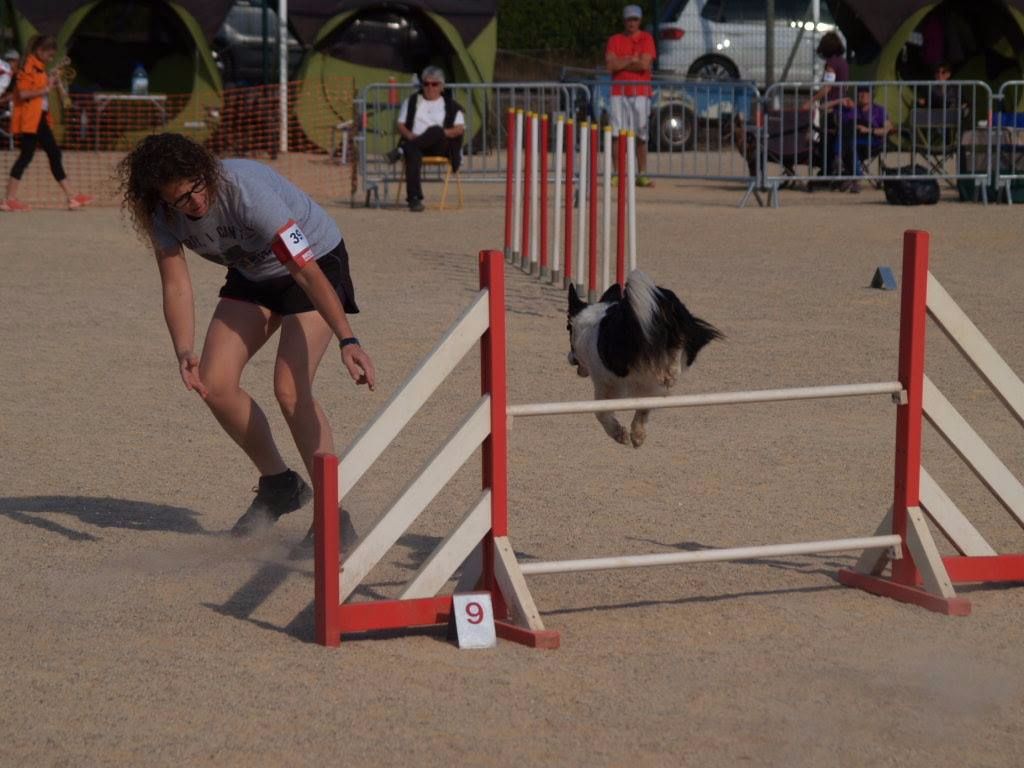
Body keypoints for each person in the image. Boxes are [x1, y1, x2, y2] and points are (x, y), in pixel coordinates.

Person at [115, 133, 377, 537]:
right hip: (252, 273)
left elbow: (305, 270)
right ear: (161, 200)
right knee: (214, 383)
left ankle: (332, 514)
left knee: (290, 389)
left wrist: (348, 339)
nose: (195, 203)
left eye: (197, 189)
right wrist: (183, 348)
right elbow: (176, 285)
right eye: (181, 199)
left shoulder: (245, 191)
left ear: (205, 172)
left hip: (314, 263)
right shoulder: (163, 217)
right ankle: (280, 484)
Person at [1, 35, 92, 212]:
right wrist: (46, 88)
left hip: (39, 118)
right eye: (49, 55)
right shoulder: (28, 66)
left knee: (50, 153)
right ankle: (9, 199)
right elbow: (24, 93)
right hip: (31, 119)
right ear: (40, 51)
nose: (51, 59)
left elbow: (38, 88)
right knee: (30, 156)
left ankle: (72, 196)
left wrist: (50, 80)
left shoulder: (39, 68)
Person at [385, 66, 465, 212]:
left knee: (435, 130)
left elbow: (459, 129)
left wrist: (441, 133)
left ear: (441, 86)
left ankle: (401, 150)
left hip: (441, 146)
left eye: (434, 84)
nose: (430, 87)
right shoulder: (412, 101)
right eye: (426, 84)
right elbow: (400, 124)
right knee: (413, 153)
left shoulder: (451, 106)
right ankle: (414, 199)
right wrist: (410, 136)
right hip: (416, 144)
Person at [605, 4, 656, 187]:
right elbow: (611, 66)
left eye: (635, 19)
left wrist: (622, 62)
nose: (632, 23)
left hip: (641, 93)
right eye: (629, 19)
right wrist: (630, 59)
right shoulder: (614, 39)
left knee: (641, 133)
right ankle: (618, 173)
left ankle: (642, 173)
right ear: (624, 21)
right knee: (617, 133)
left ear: (640, 20)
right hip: (619, 93)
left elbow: (644, 64)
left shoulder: (647, 38)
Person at [839, 86, 894, 193]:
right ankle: (853, 176)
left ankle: (854, 177)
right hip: (855, 140)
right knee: (846, 142)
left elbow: (888, 128)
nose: (863, 95)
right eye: (860, 93)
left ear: (871, 96)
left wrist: (869, 130)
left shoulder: (879, 110)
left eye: (866, 93)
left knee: (849, 145)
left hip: (874, 141)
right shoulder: (853, 110)